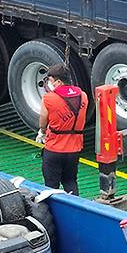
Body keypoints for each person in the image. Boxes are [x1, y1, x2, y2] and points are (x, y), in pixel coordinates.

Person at [37, 64, 88, 196]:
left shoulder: (49, 98)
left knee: (51, 187)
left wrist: (42, 132)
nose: (49, 83)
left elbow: (43, 120)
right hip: (74, 149)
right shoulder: (83, 96)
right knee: (70, 181)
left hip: (54, 149)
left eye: (51, 80)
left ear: (58, 81)